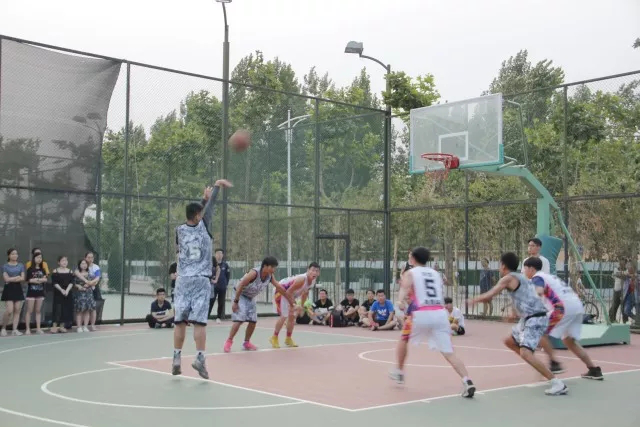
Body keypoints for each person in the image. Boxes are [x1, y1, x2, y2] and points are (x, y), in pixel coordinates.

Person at [469, 252, 567, 396]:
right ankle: (534, 360)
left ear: (503, 266)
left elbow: (490, 295)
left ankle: (557, 383)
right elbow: (521, 296)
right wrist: (514, 312)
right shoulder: (521, 278)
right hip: (529, 318)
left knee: (525, 353)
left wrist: (473, 300)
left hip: (535, 318)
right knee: (509, 341)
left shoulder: (508, 278)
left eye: (500, 265)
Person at [390, 247, 475, 398]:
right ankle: (467, 380)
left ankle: (399, 371)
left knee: (404, 338)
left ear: (413, 259)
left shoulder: (411, 273)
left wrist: (400, 300)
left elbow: (405, 287)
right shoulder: (436, 273)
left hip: (421, 314)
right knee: (449, 353)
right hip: (440, 315)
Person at [172, 180, 232, 379]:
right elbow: (211, 207)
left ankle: (176, 357)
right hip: (200, 280)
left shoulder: (179, 231)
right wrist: (216, 187)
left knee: (180, 321)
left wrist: (202, 200)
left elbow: (198, 212)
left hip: (182, 280)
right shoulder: (203, 227)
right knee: (199, 323)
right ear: (198, 215)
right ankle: (199, 358)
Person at [522, 257, 603, 380]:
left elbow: (539, 291)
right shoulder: (549, 277)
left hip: (562, 308)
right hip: (576, 307)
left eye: (525, 269)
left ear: (531, 269)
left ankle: (554, 363)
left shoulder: (537, 277)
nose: (523, 271)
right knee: (569, 341)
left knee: (538, 330)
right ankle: (593, 369)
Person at [224, 256, 293, 352]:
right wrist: (236, 302)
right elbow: (240, 285)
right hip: (240, 295)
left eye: (274, 267)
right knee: (240, 319)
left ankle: (246, 343)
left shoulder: (270, 276)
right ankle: (229, 341)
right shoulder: (254, 273)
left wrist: (290, 300)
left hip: (250, 297)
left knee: (253, 321)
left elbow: (279, 287)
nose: (273, 270)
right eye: (272, 267)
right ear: (265, 266)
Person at [271, 262, 320, 348]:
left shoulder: (313, 281)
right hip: (281, 292)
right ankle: (274, 337)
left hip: (290, 294)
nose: (314, 272)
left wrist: (301, 306)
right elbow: (288, 292)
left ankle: (288, 339)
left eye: (317, 271)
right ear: (308, 270)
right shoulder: (302, 279)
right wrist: (292, 304)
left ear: (319, 273)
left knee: (292, 316)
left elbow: (305, 293)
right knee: (284, 316)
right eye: (312, 270)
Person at [1, 248, 26, 336]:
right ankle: (3, 328)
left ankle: (14, 329)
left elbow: (22, 278)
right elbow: (6, 279)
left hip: (18, 288)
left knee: (17, 310)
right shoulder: (5, 266)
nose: (15, 255)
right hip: (8, 289)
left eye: (16, 254)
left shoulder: (21, 265)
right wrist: (16, 277)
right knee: (9, 310)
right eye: (12, 254)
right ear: (9, 255)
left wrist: (12, 279)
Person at [50, 256, 75, 333]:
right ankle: (54, 326)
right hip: (58, 292)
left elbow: (72, 282)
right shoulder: (55, 271)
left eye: (66, 260)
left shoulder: (70, 271)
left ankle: (62, 326)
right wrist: (61, 290)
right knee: (57, 309)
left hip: (67, 293)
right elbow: (54, 282)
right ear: (59, 262)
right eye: (63, 260)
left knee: (65, 308)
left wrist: (67, 290)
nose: (65, 262)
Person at [211, 249, 230, 323]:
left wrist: (226, 284)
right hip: (213, 287)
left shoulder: (225, 265)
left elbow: (228, 276)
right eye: (217, 253)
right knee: (211, 301)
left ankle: (218, 317)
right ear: (215, 255)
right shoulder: (211, 264)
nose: (219, 255)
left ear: (222, 255)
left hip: (222, 287)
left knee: (221, 303)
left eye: (220, 253)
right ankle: (206, 316)